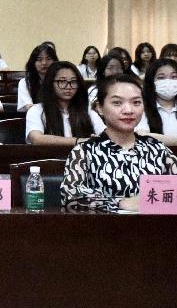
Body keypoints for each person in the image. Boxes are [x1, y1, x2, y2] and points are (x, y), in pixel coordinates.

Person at [62, 74, 177, 212]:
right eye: (117, 103)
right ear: (99, 108)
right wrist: (121, 203)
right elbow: (71, 195)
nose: (128, 110)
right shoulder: (85, 151)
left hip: (154, 224)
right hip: (103, 225)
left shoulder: (157, 149)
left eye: (136, 102)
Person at [25, 61, 102, 145]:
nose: (68, 87)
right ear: (50, 83)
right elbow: (37, 139)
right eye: (62, 81)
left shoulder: (87, 110)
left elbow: (104, 134)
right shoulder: (36, 110)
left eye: (73, 82)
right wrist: (79, 141)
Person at [138, 58, 177, 145]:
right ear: (151, 81)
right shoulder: (141, 107)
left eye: (174, 77)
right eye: (161, 77)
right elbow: (142, 136)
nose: (168, 82)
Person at [16, 42, 57, 112]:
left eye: (48, 59)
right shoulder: (25, 82)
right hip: (34, 117)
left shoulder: (60, 81)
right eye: (39, 60)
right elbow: (29, 107)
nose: (44, 63)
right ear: (33, 63)